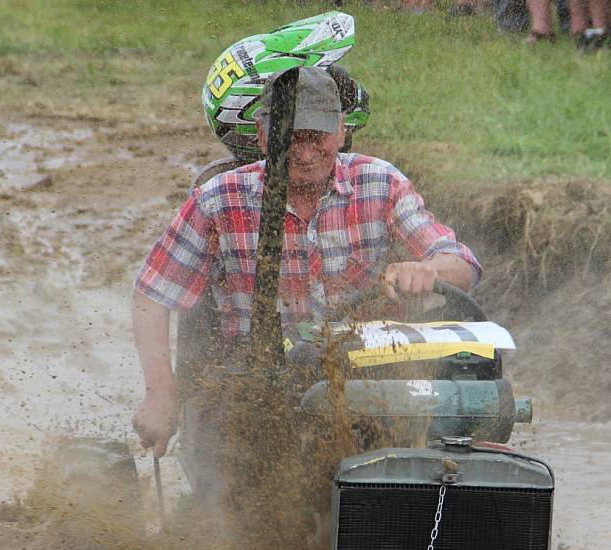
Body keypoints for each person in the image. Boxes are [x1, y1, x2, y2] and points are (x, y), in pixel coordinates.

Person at [131, 68, 481, 457]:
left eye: (317, 138)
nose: (305, 153)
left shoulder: (381, 184)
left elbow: (461, 264)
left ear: (342, 131)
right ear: (263, 137)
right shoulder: (219, 200)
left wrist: (429, 269)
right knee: (221, 499)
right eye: (292, 138)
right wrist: (160, 395)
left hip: (367, 377)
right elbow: (153, 295)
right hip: (257, 386)